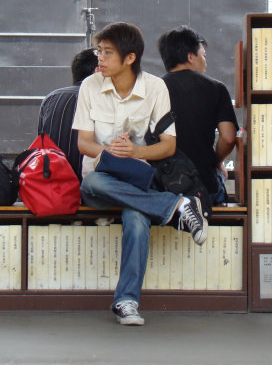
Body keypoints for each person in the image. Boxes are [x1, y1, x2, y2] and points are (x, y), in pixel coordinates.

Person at [73, 22, 208, 326]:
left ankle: (127, 301)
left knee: (136, 215)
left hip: (138, 180)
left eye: (108, 53)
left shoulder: (155, 88)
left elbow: (168, 146)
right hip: (100, 182)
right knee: (93, 179)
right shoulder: (90, 87)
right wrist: (110, 153)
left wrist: (134, 153)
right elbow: (83, 143)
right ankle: (173, 207)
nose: (100, 59)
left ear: (130, 58)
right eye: (99, 51)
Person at [157, 25, 238, 204]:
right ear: (190, 57)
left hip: (165, 189)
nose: (205, 62)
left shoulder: (153, 90)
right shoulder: (216, 88)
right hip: (205, 188)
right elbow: (228, 137)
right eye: (204, 56)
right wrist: (215, 161)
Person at [37, 48, 98, 180]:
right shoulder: (98, 99)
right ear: (97, 72)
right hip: (85, 184)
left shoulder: (51, 97)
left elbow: (40, 141)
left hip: (50, 183)